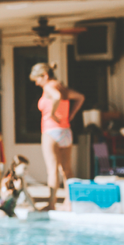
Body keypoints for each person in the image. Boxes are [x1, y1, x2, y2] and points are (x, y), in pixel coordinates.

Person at [30, 62, 84, 210]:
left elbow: (57, 96)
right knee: (67, 170)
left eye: (37, 79)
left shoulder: (49, 87)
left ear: (45, 76)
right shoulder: (61, 86)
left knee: (52, 170)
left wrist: (52, 114)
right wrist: (71, 114)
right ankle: (71, 202)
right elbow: (80, 97)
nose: (36, 83)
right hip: (66, 132)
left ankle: (51, 204)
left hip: (51, 131)